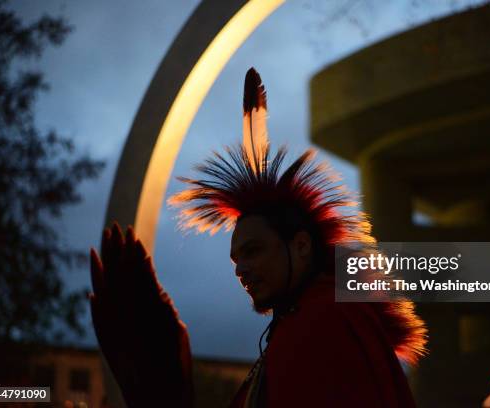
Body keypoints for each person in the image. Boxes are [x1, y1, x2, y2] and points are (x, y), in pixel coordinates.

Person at [89, 68, 427, 407]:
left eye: (253, 251)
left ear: (301, 246)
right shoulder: (309, 320)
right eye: (236, 260)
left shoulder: (322, 323)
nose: (241, 269)